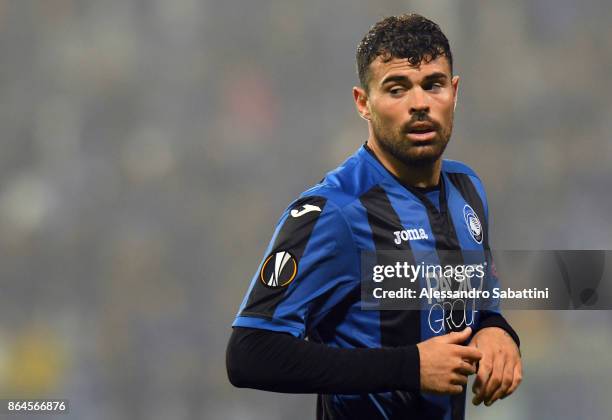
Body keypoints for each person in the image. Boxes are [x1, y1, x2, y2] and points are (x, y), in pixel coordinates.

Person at [226, 13, 522, 420]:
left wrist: (497, 330)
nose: (419, 103)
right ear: (363, 103)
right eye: (397, 89)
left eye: (432, 85)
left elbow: (474, 302)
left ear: (454, 92)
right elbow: (250, 353)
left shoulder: (467, 189)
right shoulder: (335, 210)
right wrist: (409, 367)